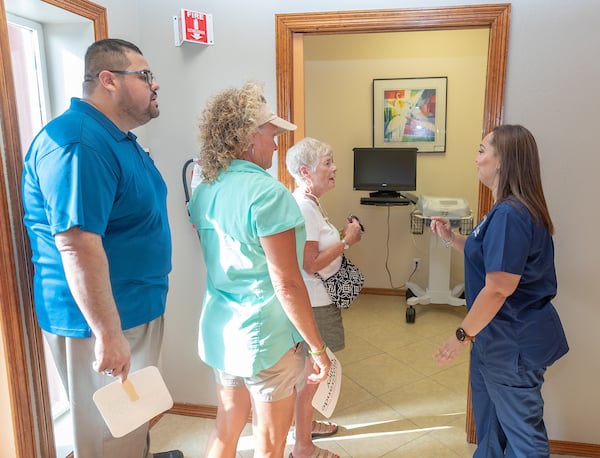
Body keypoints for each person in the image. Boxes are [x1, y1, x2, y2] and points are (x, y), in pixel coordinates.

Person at [22, 39, 181, 458]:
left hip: (133, 307)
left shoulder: (116, 138)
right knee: (110, 434)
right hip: (100, 322)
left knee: (132, 424)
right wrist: (107, 334)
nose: (155, 85)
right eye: (145, 76)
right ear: (108, 80)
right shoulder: (80, 144)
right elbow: (76, 245)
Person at [187, 82, 332, 458]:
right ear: (249, 136)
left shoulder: (205, 190)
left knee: (226, 426)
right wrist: (318, 349)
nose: (276, 143)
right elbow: (287, 284)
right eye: (271, 134)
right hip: (265, 338)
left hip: (223, 332)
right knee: (269, 444)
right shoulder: (268, 194)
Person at [430, 125, 569, 457]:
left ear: (503, 160)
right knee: (493, 427)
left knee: (522, 437)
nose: (476, 158)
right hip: (496, 340)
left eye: (482, 150)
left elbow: (497, 289)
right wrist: (452, 238)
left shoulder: (511, 214)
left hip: (512, 345)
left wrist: (461, 335)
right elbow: (486, 257)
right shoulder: (505, 210)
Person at [285, 137, 363, 458]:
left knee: (310, 373)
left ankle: (305, 426)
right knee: (315, 374)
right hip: (314, 305)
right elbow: (310, 262)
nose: (335, 169)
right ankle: (303, 447)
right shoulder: (304, 206)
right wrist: (346, 241)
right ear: (306, 171)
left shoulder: (310, 201)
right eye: (327, 163)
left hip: (316, 301)